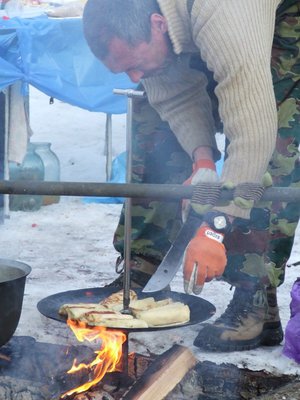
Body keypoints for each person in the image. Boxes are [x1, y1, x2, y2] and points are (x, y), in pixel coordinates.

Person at [82, 0, 300, 352]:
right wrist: (202, 163)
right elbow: (175, 92)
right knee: (152, 101)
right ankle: (145, 271)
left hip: (275, 13)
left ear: (157, 24)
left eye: (133, 63)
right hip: (196, 17)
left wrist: (215, 225)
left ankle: (255, 296)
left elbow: (253, 132)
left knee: (274, 131)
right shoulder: (142, 15)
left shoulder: (225, 16)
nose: (132, 77)